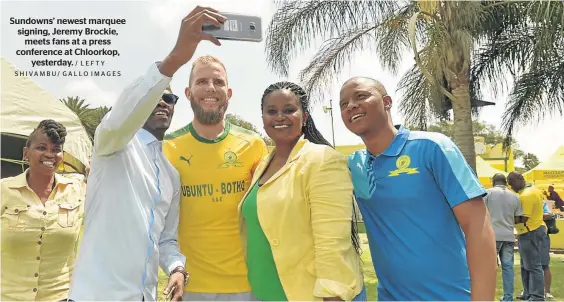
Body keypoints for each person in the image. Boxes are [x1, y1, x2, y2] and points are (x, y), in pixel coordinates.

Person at [69, 6, 227, 301]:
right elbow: (122, 116)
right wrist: (176, 58)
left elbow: (166, 239)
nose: (163, 103)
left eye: (170, 98)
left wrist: (177, 268)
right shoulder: (112, 146)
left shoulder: (170, 174)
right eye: (156, 96)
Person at [340, 77, 497, 301]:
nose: (351, 106)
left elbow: (477, 226)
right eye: (343, 104)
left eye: (361, 96)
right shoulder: (352, 166)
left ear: (387, 102)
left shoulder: (432, 147)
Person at [236, 81, 366, 301]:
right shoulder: (263, 165)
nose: (279, 117)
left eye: (288, 110)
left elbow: (332, 242)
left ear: (304, 117)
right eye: (271, 111)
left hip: (310, 295)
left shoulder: (323, 160)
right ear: (263, 119)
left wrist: (332, 294)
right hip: (264, 293)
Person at [163, 55, 268, 301]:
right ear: (188, 93)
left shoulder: (253, 145)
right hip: (190, 285)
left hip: (248, 284)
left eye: (218, 82)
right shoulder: (167, 148)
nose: (210, 88)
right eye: (201, 82)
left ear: (228, 92)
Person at [1, 119, 86, 301]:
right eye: (41, 147)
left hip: (60, 296)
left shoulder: (77, 189)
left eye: (56, 149)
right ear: (26, 153)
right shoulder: (4, 191)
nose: (50, 154)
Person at [484, 173, 523, 301]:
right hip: (508, 236)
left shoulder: (487, 193)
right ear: (505, 182)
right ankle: (508, 297)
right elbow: (518, 218)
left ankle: (487, 296)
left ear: (493, 181)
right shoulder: (515, 196)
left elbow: (481, 212)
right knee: (508, 268)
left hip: (492, 236)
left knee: (489, 268)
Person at [507, 171, 545, 301]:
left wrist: (505, 219)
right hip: (532, 230)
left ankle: (537, 296)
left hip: (530, 232)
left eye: (512, 184)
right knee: (525, 265)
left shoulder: (526, 195)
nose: (511, 187)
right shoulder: (533, 190)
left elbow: (522, 219)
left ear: (519, 180)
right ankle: (528, 292)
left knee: (533, 266)